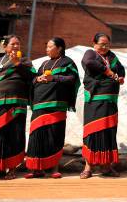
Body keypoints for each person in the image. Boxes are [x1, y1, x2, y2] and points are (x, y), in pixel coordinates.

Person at [0, 35, 36, 180]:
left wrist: (18, 64)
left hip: (16, 103)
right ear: (5, 46)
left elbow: (32, 77)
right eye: (13, 44)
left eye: (18, 44)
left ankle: (12, 168)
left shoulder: (24, 60)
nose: (16, 46)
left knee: (13, 135)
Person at [25, 37, 80, 179]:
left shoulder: (67, 62)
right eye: (47, 47)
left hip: (56, 105)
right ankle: (35, 168)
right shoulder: (43, 63)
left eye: (50, 47)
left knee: (54, 135)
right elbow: (33, 79)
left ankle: (54, 168)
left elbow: (72, 79)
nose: (47, 49)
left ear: (59, 48)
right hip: (39, 105)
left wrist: (54, 78)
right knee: (36, 136)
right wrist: (38, 79)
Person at [80, 33, 125, 179]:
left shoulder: (112, 57)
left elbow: (121, 70)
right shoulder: (90, 54)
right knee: (92, 132)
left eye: (107, 44)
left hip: (110, 101)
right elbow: (89, 63)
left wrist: (120, 77)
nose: (104, 47)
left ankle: (106, 166)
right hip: (95, 100)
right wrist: (108, 72)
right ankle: (88, 167)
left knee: (108, 133)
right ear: (94, 43)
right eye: (101, 44)